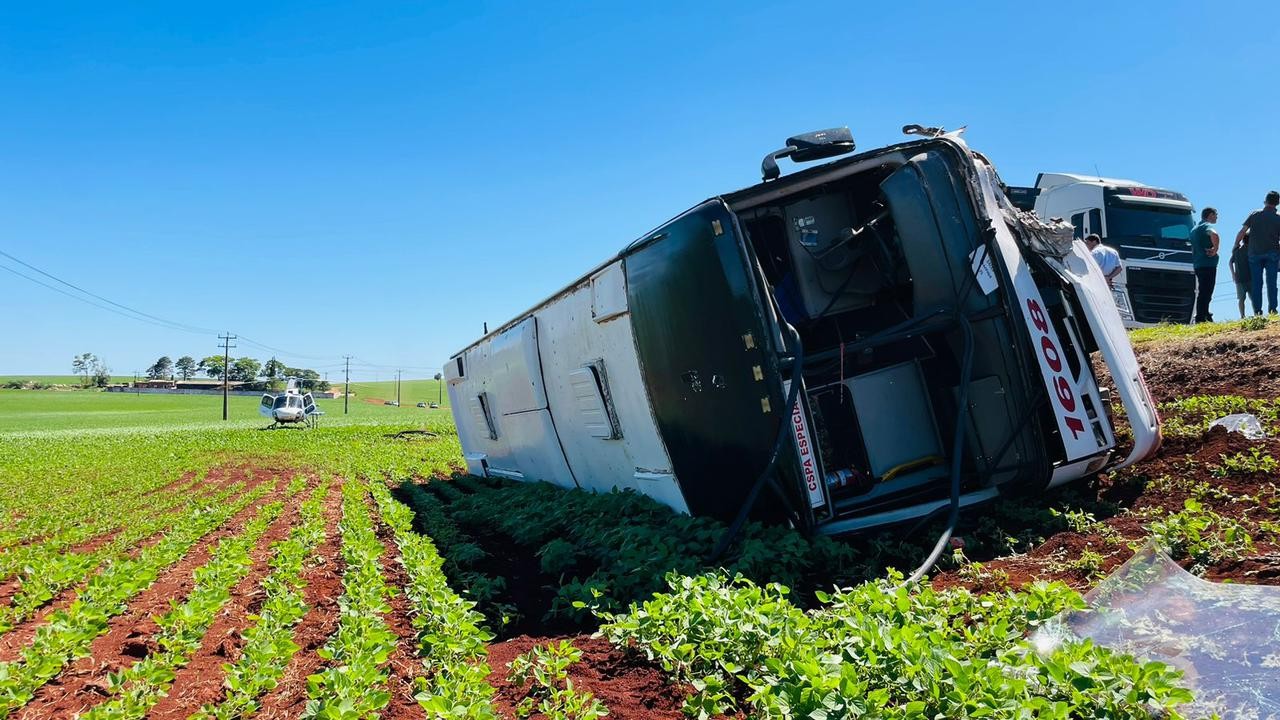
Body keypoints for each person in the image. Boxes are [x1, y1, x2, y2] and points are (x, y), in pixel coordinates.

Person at [1237, 190, 1280, 315]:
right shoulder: (1278, 218)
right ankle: (1272, 309)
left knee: (1256, 283)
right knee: (1271, 283)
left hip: (1254, 253)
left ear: (1265, 201)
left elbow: (1242, 231)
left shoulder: (1254, 214)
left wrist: (1236, 244)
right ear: (1277, 203)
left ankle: (1257, 311)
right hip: (1272, 253)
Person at [1189, 207, 1221, 323]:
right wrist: (1215, 249)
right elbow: (1214, 234)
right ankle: (1201, 317)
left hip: (1198, 264)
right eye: (1215, 214)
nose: (1217, 217)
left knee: (1203, 290)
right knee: (1207, 291)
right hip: (1208, 263)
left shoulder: (1193, 230)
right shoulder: (1206, 226)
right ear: (1210, 215)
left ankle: (1205, 313)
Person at [1230, 234, 1254, 319]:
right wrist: (1233, 274)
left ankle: (1243, 316)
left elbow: (1230, 262)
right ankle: (1247, 315)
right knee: (1249, 298)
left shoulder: (1237, 250)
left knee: (1242, 299)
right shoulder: (1250, 250)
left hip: (1242, 278)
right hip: (1247, 278)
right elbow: (1230, 262)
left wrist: (1233, 274)